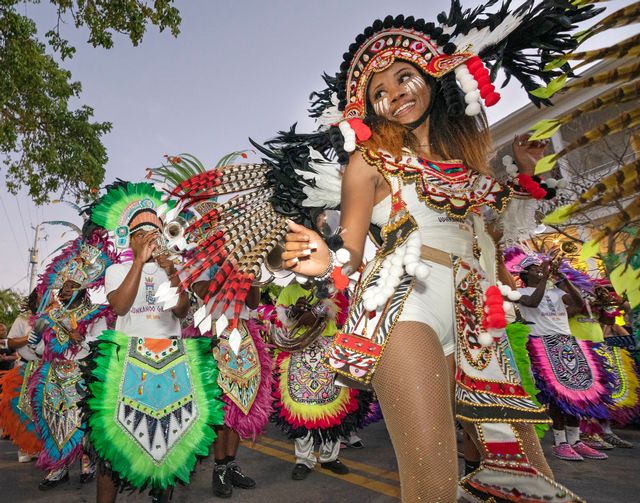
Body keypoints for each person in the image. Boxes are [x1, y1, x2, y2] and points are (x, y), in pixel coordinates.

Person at [278, 14, 581, 501]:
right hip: (405, 305)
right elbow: (350, 249)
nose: (394, 93)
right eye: (379, 91)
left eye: (403, 77)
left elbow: (502, 224)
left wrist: (527, 172)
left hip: (475, 314)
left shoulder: (466, 168)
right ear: (369, 109)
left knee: (526, 477)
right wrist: (325, 260)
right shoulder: (369, 159)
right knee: (432, 485)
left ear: (432, 78)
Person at [84, 181, 225, 503]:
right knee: (111, 444)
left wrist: (172, 272)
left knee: (170, 437)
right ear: (130, 240)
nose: (150, 240)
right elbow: (119, 306)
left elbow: (180, 310)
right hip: (126, 357)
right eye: (142, 235)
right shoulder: (117, 270)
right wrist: (139, 262)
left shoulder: (173, 271)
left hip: (172, 358)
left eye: (155, 234)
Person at [272, 281, 367, 481]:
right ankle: (303, 459)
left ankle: (329, 457)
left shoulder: (332, 289)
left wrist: (321, 307)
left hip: (328, 350)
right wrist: (293, 312)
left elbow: (340, 317)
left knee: (334, 406)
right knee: (300, 409)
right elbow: (280, 322)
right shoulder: (288, 291)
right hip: (299, 351)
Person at [518, 257, 610, 462]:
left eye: (540, 268)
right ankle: (561, 442)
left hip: (567, 342)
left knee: (576, 393)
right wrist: (546, 278)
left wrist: (563, 279)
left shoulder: (556, 291)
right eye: (534, 269)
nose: (539, 271)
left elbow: (579, 304)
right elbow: (533, 302)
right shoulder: (520, 293)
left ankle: (576, 441)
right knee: (556, 397)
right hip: (542, 346)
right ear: (525, 274)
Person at [190, 280, 271, 499]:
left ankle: (230, 464)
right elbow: (200, 289)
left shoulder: (246, 260)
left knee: (242, 402)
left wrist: (251, 278)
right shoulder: (206, 260)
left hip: (243, 335)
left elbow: (253, 303)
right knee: (220, 406)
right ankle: (219, 468)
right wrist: (230, 272)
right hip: (212, 334)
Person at [0, 289, 41, 463]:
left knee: (43, 410)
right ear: (34, 299)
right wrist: (27, 338)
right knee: (20, 407)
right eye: (42, 295)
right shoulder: (23, 319)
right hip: (24, 367)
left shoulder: (57, 318)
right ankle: (27, 446)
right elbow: (9, 342)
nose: (47, 298)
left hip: (47, 369)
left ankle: (43, 448)